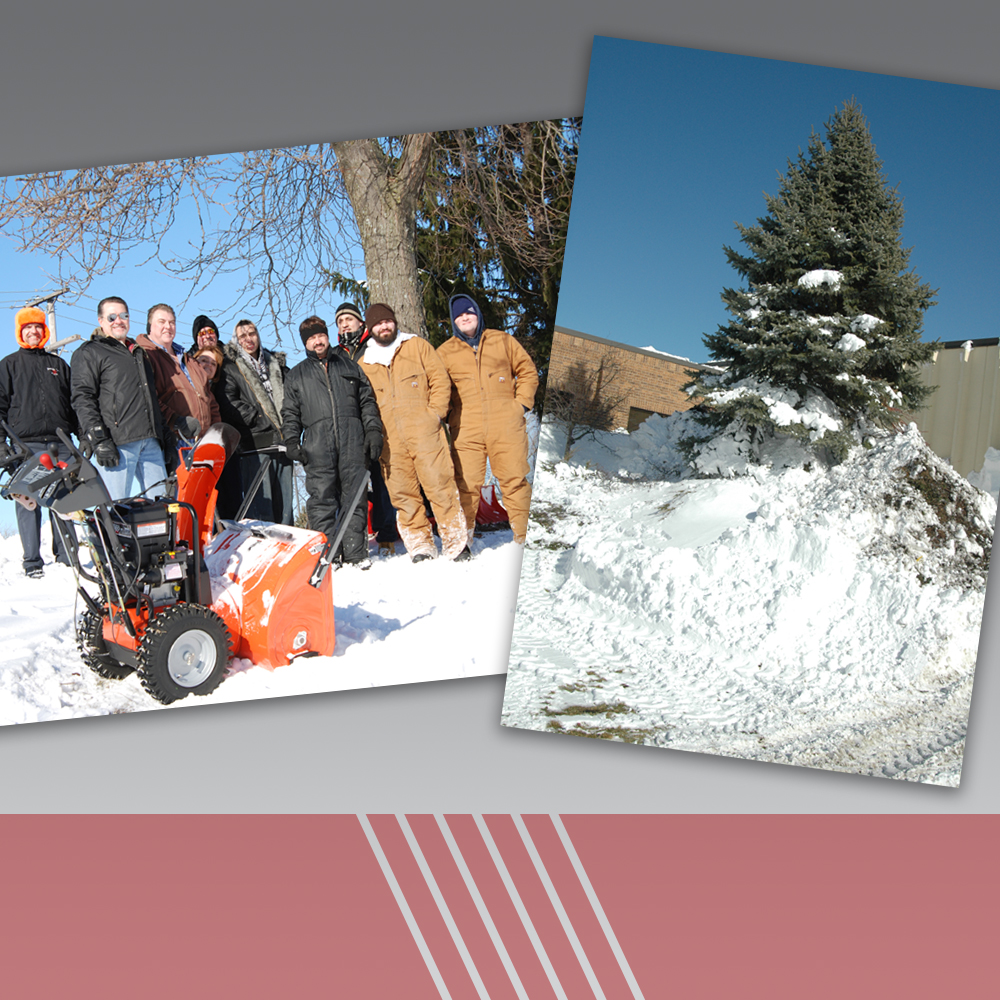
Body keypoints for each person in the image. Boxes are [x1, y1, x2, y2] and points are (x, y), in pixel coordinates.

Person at [360, 303, 469, 563]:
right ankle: (420, 545)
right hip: (390, 440)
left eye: (387, 321)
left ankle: (456, 542)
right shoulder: (365, 363)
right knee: (403, 494)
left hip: (425, 432)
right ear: (370, 328)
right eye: (378, 323)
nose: (384, 326)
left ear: (394, 322)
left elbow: (439, 379)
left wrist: (434, 414)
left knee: (440, 485)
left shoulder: (416, 346)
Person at [436, 293, 538, 545]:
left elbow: (527, 371)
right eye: (459, 315)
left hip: (506, 424)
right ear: (453, 321)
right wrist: (449, 416)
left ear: (478, 314)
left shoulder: (502, 340)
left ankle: (524, 539)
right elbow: (438, 387)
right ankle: (462, 542)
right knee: (466, 486)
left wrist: (520, 405)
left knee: (515, 481)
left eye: (468, 312)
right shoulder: (444, 352)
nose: (464, 317)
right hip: (466, 428)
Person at [282, 315, 382, 568]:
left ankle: (356, 554)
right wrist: (292, 440)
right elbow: (290, 413)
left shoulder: (348, 366)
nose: (317, 341)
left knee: (354, 497)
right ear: (305, 343)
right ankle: (327, 555)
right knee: (321, 500)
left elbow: (367, 401)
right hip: (317, 445)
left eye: (320, 336)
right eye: (312, 338)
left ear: (327, 336)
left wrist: (372, 431)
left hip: (353, 440)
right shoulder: (296, 375)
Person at [0, 307, 76, 577]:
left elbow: (72, 406)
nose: (33, 331)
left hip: (61, 442)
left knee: (65, 497)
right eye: (27, 328)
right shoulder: (8, 365)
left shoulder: (58, 365)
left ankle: (68, 558)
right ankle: (32, 562)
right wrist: (2, 446)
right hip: (27, 444)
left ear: (45, 331)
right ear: (20, 332)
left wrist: (84, 438)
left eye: (38, 327)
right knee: (27, 499)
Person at [70, 296, 169, 501]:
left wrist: (164, 433)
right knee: (115, 509)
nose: (119, 321)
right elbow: (82, 397)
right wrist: (98, 439)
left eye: (123, 315)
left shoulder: (139, 353)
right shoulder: (90, 352)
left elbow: (151, 398)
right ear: (101, 321)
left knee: (163, 508)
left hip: (150, 442)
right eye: (112, 316)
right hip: (117, 443)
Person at [333, 301, 400, 555]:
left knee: (382, 480)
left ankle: (387, 535)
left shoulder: (373, 347)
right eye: (340, 321)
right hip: (350, 428)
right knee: (352, 485)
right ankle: (354, 538)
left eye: (348, 319)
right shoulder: (335, 355)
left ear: (361, 322)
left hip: (379, 422)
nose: (344, 324)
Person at [217, 319, 293, 524]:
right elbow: (229, 402)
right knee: (261, 509)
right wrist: (259, 418)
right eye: (242, 336)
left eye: (252, 334)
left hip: (283, 443)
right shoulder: (230, 368)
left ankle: (288, 550)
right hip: (255, 445)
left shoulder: (275, 364)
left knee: (285, 508)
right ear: (236, 340)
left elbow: (293, 396)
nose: (248, 339)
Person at [136, 304, 220, 465]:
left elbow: (210, 399)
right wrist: (175, 420)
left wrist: (215, 433)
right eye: (162, 322)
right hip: (174, 440)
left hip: (203, 443)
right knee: (178, 490)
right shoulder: (145, 356)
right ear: (150, 326)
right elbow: (148, 397)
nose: (168, 326)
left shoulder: (189, 360)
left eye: (172, 322)